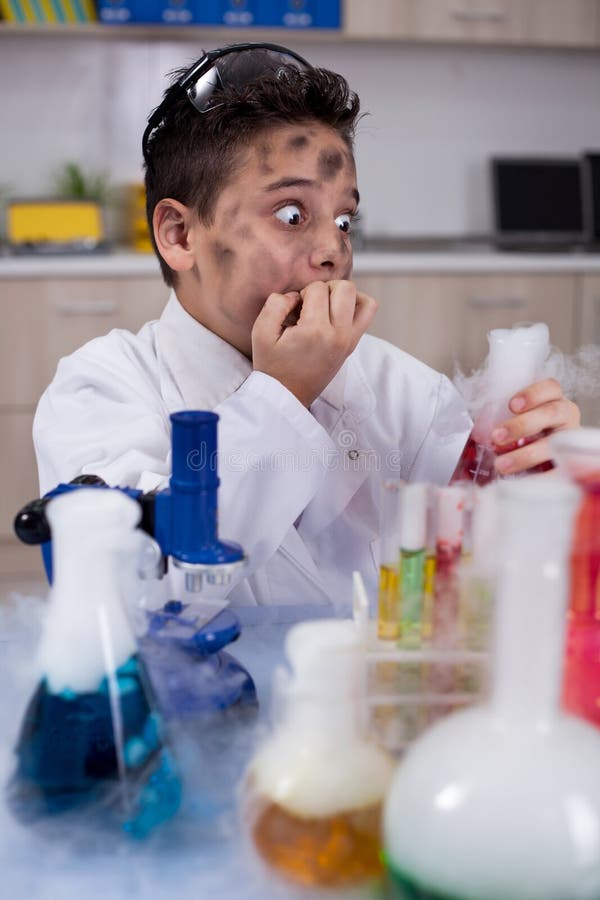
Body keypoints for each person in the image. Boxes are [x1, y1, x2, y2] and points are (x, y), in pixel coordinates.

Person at [33, 43, 580, 608]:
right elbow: (134, 599)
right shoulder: (99, 391)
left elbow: (472, 579)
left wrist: (529, 484)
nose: (332, 250)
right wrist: (282, 397)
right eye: (291, 214)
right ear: (179, 235)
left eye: (345, 219)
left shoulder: (404, 391)